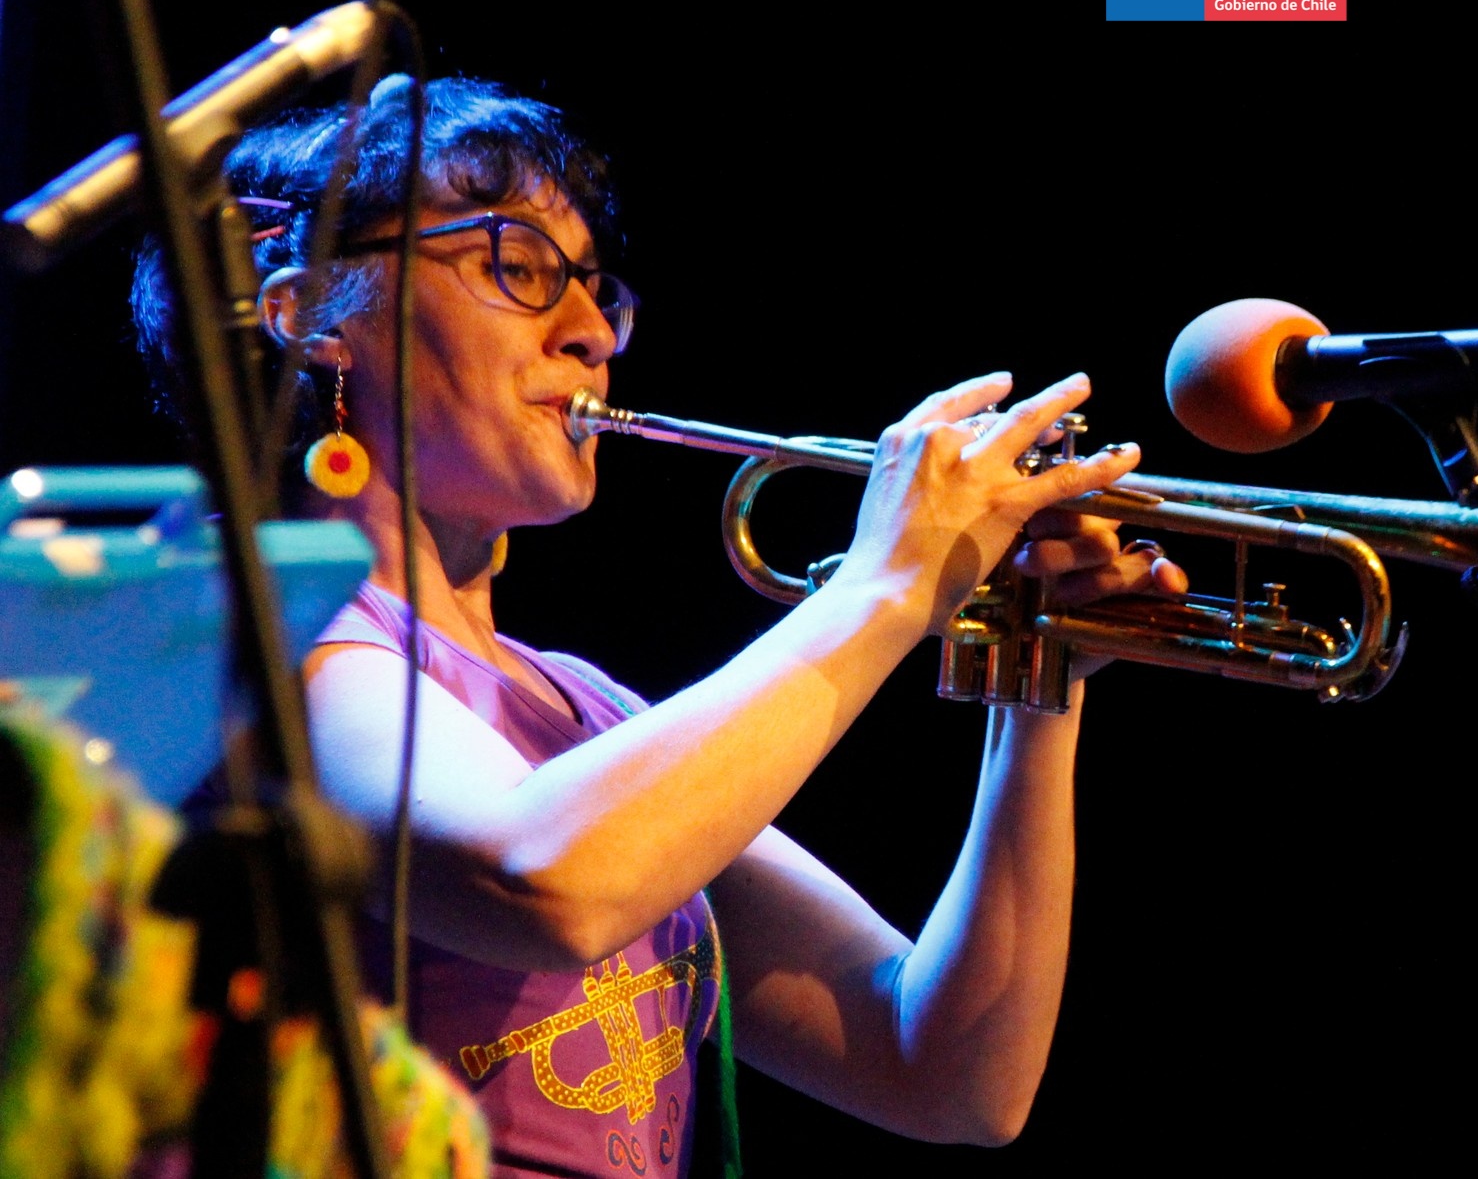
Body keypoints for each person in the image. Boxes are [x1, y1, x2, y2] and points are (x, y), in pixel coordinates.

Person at [130, 76, 1186, 1178]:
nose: (590, 332)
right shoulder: (235, 612)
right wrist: (887, 583)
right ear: (311, 313)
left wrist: (1035, 679)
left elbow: (946, 1070)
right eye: (518, 267)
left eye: (593, 289)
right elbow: (544, 878)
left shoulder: (581, 711)